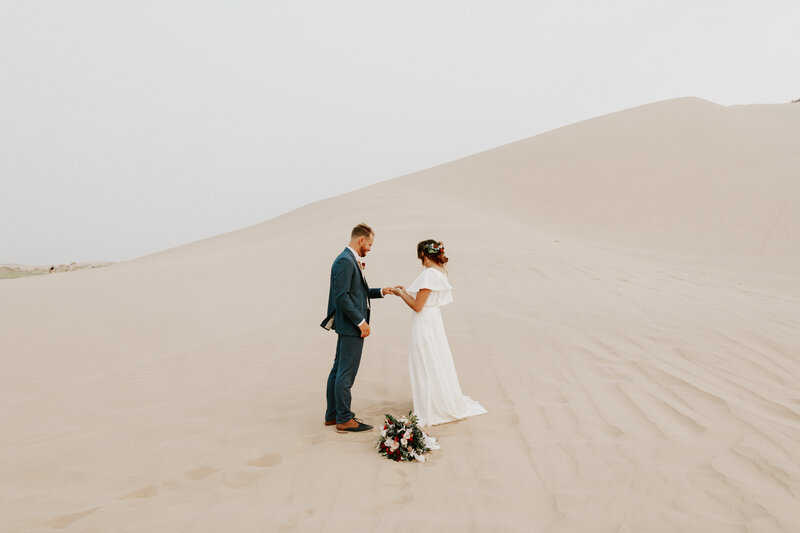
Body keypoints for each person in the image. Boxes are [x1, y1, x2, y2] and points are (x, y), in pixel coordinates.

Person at [392, 240, 487, 427]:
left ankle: (430, 406)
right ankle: (434, 400)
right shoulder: (440, 272)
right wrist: (405, 292)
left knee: (425, 360)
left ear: (424, 256)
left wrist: (400, 294)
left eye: (421, 257)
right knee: (435, 358)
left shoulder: (428, 274)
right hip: (433, 319)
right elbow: (424, 302)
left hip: (424, 323)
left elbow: (417, 306)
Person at [321, 223, 395, 433]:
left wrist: (382, 291)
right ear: (361, 240)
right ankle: (344, 418)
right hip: (351, 325)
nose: (370, 249)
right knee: (346, 373)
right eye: (370, 244)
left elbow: (356, 293)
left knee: (338, 370)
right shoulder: (345, 261)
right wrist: (361, 322)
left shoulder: (349, 259)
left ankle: (333, 415)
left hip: (348, 325)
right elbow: (342, 296)